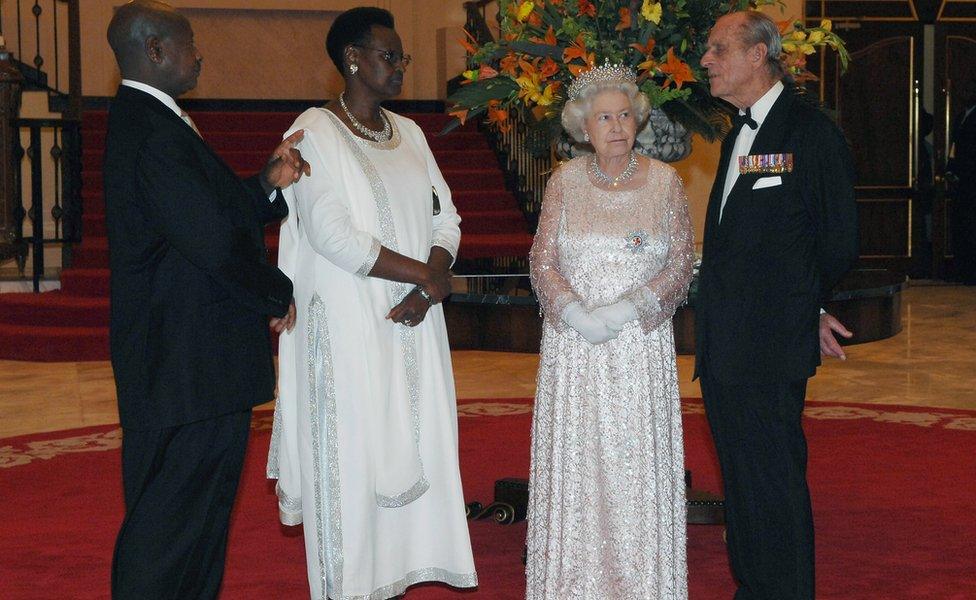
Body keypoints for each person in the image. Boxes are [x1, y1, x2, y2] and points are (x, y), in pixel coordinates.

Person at [268, 7, 477, 599]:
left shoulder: (409, 133)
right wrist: (429, 281)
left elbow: (448, 218)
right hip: (350, 327)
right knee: (352, 457)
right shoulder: (313, 132)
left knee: (418, 445)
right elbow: (333, 237)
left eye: (403, 58)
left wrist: (430, 280)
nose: (401, 68)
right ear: (353, 59)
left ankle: (398, 576)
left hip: (413, 322)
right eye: (390, 56)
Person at [103, 1, 310, 598]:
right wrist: (276, 291)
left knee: (193, 522)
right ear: (157, 50)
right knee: (170, 523)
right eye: (189, 42)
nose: (200, 53)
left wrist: (265, 185)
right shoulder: (152, 130)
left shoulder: (153, 120)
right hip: (183, 364)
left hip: (189, 363)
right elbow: (213, 243)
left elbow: (204, 214)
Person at [696, 11, 859, 599]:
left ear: (758, 54)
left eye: (718, 49)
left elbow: (839, 238)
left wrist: (808, 308)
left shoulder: (809, 132)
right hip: (726, 345)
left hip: (769, 344)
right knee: (742, 480)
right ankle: (754, 587)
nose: (707, 60)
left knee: (774, 481)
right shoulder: (740, 133)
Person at [526, 63, 694, 599]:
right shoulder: (564, 181)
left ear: (638, 121)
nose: (616, 126)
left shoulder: (665, 182)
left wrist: (630, 308)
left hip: (638, 347)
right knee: (581, 468)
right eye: (604, 117)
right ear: (584, 126)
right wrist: (574, 312)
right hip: (575, 349)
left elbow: (682, 261)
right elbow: (542, 259)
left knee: (633, 468)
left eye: (625, 115)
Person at [947, 76, 976, 284]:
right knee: (962, 227)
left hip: (971, 182)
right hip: (962, 185)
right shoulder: (960, 117)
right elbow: (954, 149)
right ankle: (962, 270)